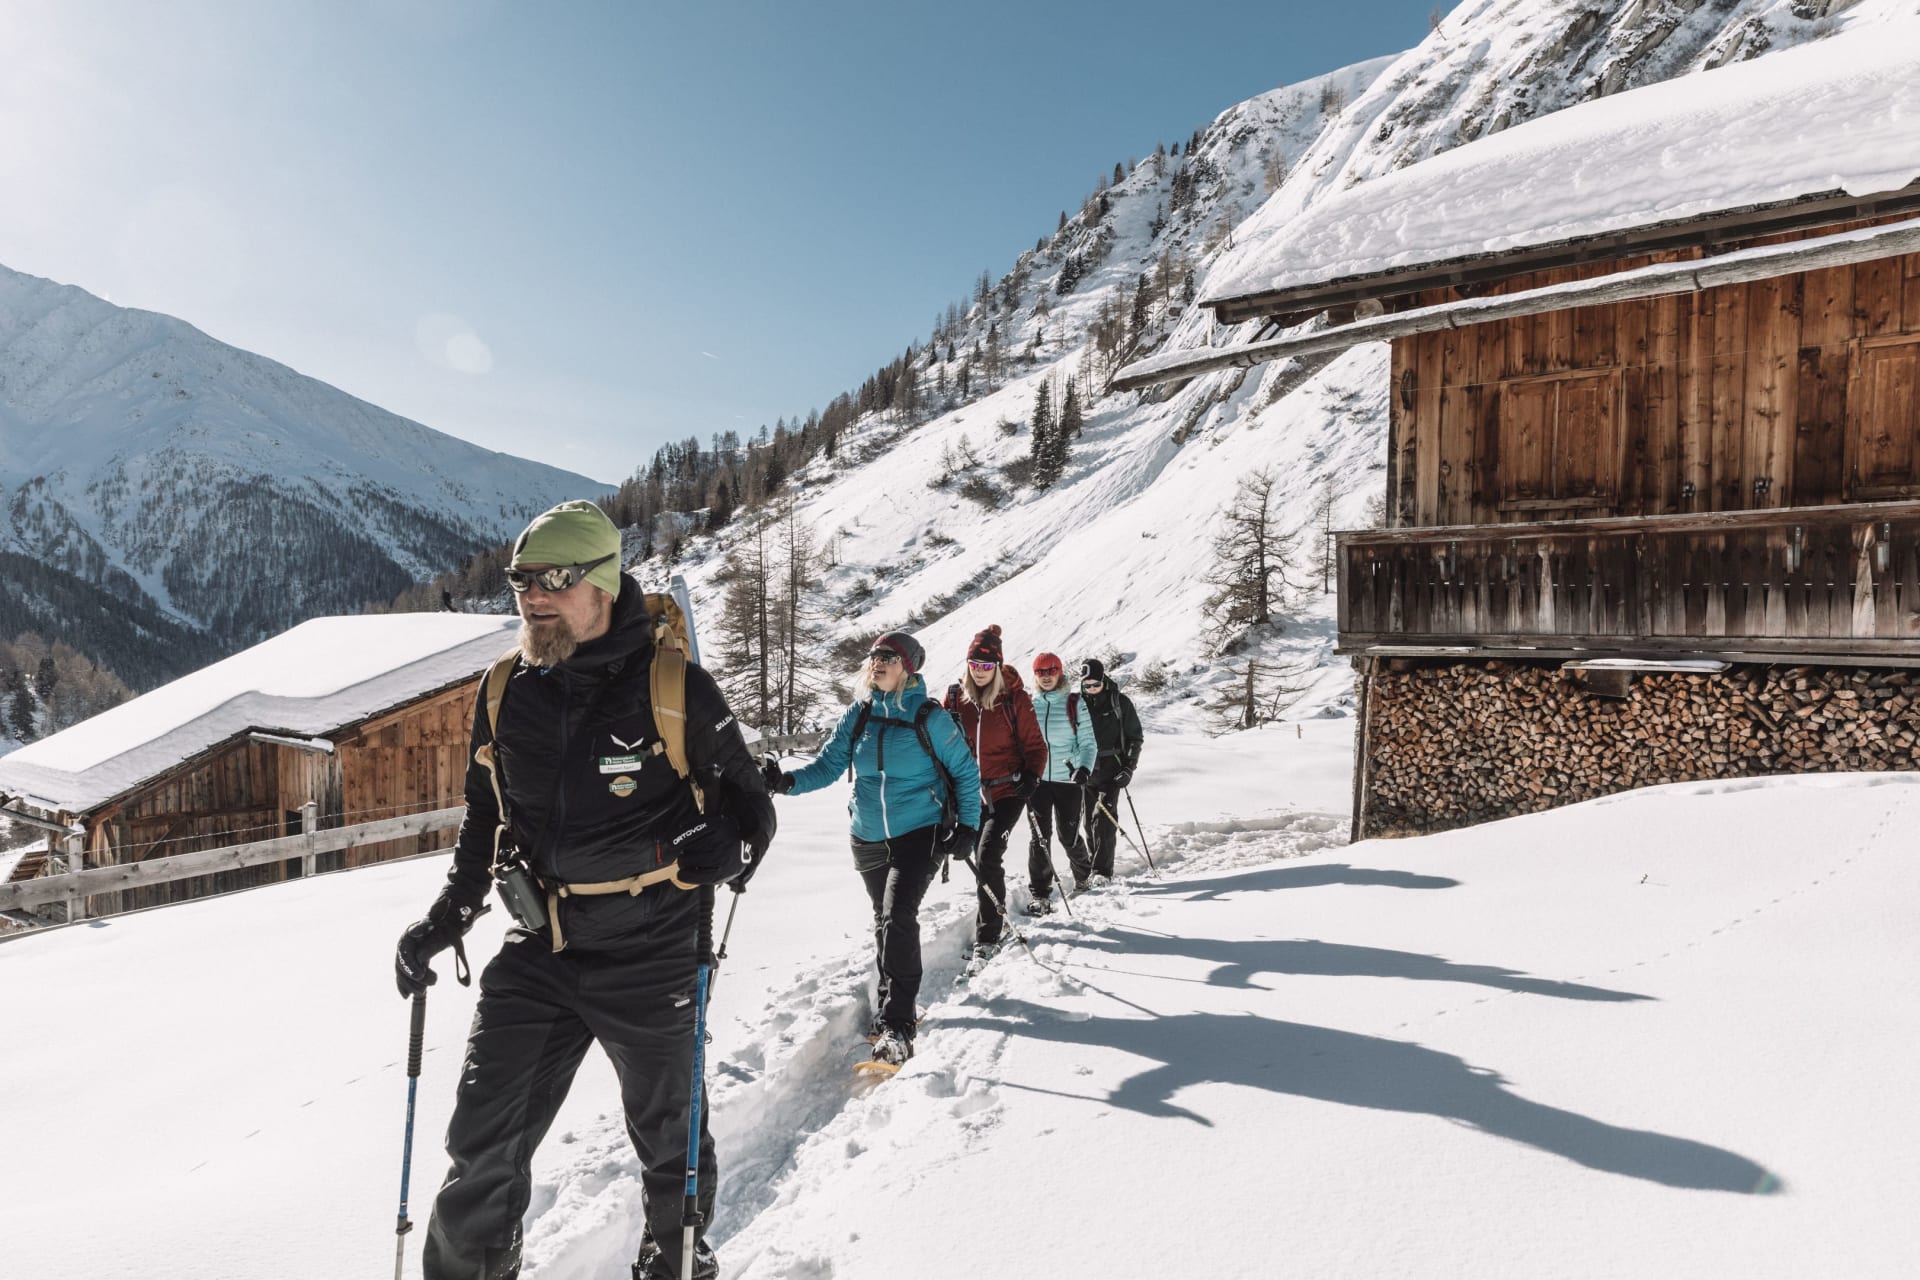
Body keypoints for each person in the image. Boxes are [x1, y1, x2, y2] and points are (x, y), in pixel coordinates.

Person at [392, 500, 774, 1280]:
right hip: (542, 944)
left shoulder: (677, 688)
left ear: (604, 581)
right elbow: (485, 814)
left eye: (554, 580)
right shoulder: (505, 689)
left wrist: (730, 845)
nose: (533, 598)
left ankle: (673, 1263)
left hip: (653, 946)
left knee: (671, 1144)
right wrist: (448, 914)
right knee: (481, 1140)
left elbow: (752, 811)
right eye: (520, 581)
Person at [763, 629, 980, 1070]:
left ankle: (899, 1026)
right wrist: (785, 781)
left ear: (908, 668)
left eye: (889, 657)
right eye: (875, 656)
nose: (878, 662)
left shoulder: (930, 717)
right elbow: (828, 766)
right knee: (884, 919)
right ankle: (889, 1002)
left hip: (919, 829)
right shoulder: (859, 714)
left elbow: (966, 773)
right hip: (866, 833)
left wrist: (969, 827)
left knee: (898, 914)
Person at [941, 625, 1047, 962]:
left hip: (1007, 790)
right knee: (977, 856)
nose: (979, 671)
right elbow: (940, 745)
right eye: (974, 664)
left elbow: (1036, 747)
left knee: (988, 855)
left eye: (987, 665)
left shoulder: (1014, 699)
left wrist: (1031, 776)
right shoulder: (956, 699)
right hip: (969, 794)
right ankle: (992, 920)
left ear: (998, 666)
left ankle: (989, 934)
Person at [1024, 651, 1095, 911]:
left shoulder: (1075, 702)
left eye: (1051, 670)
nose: (1046, 676)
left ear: (1060, 672)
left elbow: (1088, 742)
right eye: (1040, 672)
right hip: (1038, 781)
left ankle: (1084, 876)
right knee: (1039, 838)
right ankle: (1040, 895)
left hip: (1068, 779)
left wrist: (1084, 768)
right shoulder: (1029, 704)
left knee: (1068, 835)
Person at [1076, 657, 1143, 884]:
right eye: (1087, 685)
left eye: (1096, 684)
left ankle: (1102, 872)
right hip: (1086, 771)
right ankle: (1094, 867)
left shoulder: (1119, 702)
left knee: (1103, 819)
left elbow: (1135, 738)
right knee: (1088, 823)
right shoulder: (1077, 705)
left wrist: (1129, 767)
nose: (1092, 688)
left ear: (1104, 680)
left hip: (1112, 771)